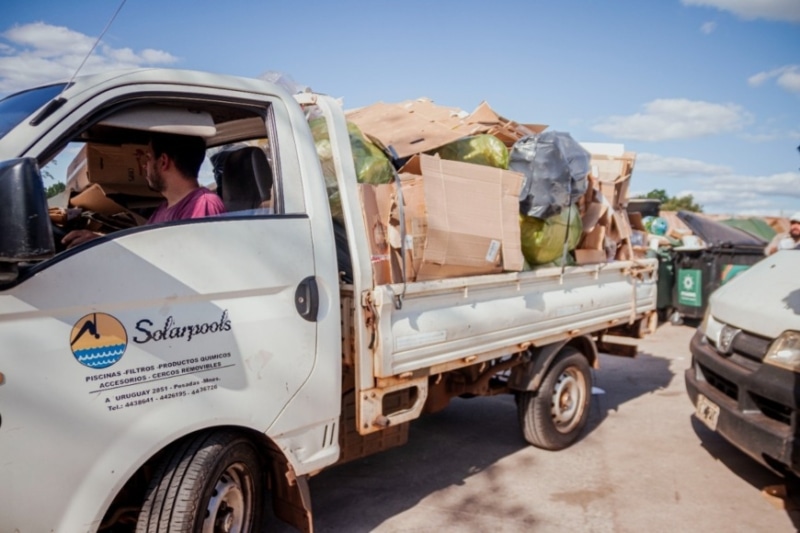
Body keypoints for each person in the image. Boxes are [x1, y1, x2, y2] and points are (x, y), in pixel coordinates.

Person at [62, 133, 225, 249]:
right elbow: (145, 246)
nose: (144, 166)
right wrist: (102, 240)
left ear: (163, 162)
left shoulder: (202, 204)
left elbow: (181, 260)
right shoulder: (164, 208)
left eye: (148, 158)